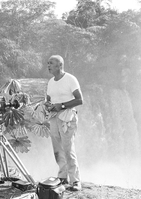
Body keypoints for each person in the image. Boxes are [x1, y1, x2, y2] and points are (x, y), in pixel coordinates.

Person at [45, 55, 83, 191]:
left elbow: (79, 100)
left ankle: (75, 181)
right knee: (57, 149)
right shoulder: (51, 82)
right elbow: (48, 99)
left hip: (67, 117)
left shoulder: (70, 79)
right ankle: (62, 177)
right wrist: (47, 105)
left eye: (51, 63)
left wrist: (61, 106)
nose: (48, 65)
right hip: (54, 118)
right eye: (48, 63)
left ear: (60, 65)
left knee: (68, 148)